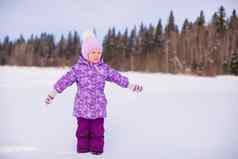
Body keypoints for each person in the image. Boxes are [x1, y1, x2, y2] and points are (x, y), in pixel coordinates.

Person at [45, 30, 143, 155]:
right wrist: (53, 93)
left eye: (98, 52)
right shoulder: (78, 69)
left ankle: (97, 150)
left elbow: (116, 77)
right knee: (82, 130)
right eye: (93, 52)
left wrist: (130, 85)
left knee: (98, 131)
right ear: (86, 53)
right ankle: (82, 149)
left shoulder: (103, 68)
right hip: (82, 107)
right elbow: (65, 80)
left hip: (98, 107)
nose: (96, 55)